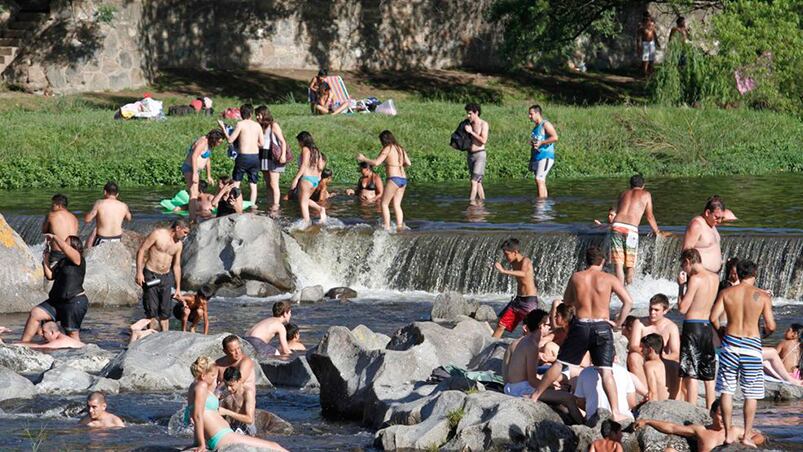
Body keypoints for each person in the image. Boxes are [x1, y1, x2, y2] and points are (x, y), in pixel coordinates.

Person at [530, 246, 634, 422]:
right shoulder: (610, 278)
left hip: (581, 325)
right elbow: (628, 302)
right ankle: (615, 412)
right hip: (602, 326)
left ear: (586, 260)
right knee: (606, 371)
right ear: (603, 261)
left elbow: (567, 302)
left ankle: (535, 396)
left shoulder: (577, 277)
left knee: (559, 363)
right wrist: (617, 324)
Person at [710, 259, 775, 447]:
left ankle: (729, 433)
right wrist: (765, 333)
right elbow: (771, 325)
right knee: (751, 393)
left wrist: (721, 332)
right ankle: (746, 435)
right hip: (752, 346)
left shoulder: (726, 293)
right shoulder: (762, 296)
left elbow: (713, 317)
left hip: (730, 344)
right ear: (754, 274)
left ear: (737, 273)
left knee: (727, 390)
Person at [185, 356, 286, 451]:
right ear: (203, 376)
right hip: (222, 436)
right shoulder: (201, 385)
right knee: (275, 447)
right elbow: (197, 416)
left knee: (274, 447)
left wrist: (197, 442)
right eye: (212, 375)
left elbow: (197, 414)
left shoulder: (194, 386)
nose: (214, 379)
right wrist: (201, 444)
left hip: (222, 435)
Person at [502, 310, 583, 423]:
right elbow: (532, 380)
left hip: (513, 386)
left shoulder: (525, 341)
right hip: (520, 389)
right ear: (541, 326)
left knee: (560, 395)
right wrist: (552, 387)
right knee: (568, 398)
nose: (550, 328)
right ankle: (585, 427)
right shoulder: (532, 345)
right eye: (548, 325)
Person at [21, 234, 88, 343]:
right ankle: (24, 344)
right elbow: (50, 276)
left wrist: (55, 237)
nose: (63, 244)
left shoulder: (78, 259)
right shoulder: (62, 261)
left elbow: (65, 248)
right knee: (36, 313)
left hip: (74, 302)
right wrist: (46, 258)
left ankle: (78, 354)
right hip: (57, 302)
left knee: (71, 334)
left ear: (74, 247)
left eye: (66, 242)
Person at [676, 248, 719, 408]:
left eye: (683, 266)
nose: (684, 270)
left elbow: (682, 308)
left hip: (693, 326)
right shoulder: (715, 277)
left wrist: (681, 286)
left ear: (688, 261)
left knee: (691, 371)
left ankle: (691, 409)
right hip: (707, 327)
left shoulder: (695, 279)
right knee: (708, 372)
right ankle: (711, 409)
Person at [634, 399, 765, 452]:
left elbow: (759, 436)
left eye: (727, 414)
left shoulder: (735, 431)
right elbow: (672, 427)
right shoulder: (701, 430)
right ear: (712, 413)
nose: (724, 418)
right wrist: (648, 421)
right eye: (720, 414)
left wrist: (747, 442)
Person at [609, 175, 667, 285]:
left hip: (616, 226)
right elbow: (649, 216)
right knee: (630, 264)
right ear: (643, 185)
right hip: (631, 230)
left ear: (630, 185)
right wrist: (657, 231)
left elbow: (613, 212)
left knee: (619, 264)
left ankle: (620, 291)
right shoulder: (646, 194)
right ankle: (629, 289)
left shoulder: (623, 194)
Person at [135, 220, 190, 332]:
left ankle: (164, 337)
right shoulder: (158, 234)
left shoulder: (178, 245)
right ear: (178, 228)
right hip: (151, 274)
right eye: (185, 232)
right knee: (152, 310)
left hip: (166, 276)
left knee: (165, 312)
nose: (186, 236)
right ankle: (150, 336)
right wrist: (139, 272)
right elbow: (141, 250)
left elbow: (176, 265)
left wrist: (178, 288)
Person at [626, 294, 680, 399]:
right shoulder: (640, 323)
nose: (652, 313)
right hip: (643, 356)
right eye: (650, 309)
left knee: (676, 364)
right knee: (633, 357)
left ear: (665, 311)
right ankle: (645, 394)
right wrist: (648, 352)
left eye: (656, 310)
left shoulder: (671, 327)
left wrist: (662, 357)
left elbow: (676, 353)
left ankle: (672, 398)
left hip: (661, 359)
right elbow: (633, 346)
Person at [357, 130, 411, 231]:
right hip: (403, 179)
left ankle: (387, 227)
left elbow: (376, 163)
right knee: (397, 204)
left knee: (384, 203)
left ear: (384, 140)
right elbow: (408, 163)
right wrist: (398, 164)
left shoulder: (388, 148)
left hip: (394, 179)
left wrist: (364, 159)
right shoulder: (400, 149)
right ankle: (400, 227)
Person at [219, 104, 264, 209]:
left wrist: (222, 128)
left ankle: (235, 204)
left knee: (236, 183)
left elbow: (230, 140)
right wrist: (252, 143)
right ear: (251, 114)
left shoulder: (240, 124)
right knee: (253, 184)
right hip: (255, 157)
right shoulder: (257, 126)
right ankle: (253, 205)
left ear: (241, 114)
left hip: (243, 157)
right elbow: (262, 144)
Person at [492, 238, 539, 338]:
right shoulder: (513, 263)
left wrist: (504, 271)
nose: (505, 257)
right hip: (518, 300)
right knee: (501, 325)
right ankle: (489, 347)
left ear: (515, 252)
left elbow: (523, 273)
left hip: (529, 301)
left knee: (531, 329)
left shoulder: (525, 261)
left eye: (507, 254)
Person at [290, 131, 328, 227]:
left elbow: (304, 165)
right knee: (304, 199)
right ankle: (320, 209)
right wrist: (319, 175)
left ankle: (307, 224)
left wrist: (296, 179)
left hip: (306, 179)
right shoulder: (317, 151)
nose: (299, 144)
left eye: (299, 142)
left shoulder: (305, 149)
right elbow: (320, 166)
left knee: (303, 203)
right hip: (315, 180)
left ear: (302, 141)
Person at [682, 195, 727, 273]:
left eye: (721, 218)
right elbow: (686, 253)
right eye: (717, 217)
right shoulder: (696, 225)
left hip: (712, 276)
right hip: (699, 276)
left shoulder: (711, 223)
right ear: (707, 212)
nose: (719, 221)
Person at [256, 105, 289, 210]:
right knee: (268, 183)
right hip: (263, 155)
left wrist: (283, 155)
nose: (257, 117)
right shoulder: (259, 126)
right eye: (256, 115)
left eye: (259, 115)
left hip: (273, 156)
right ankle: (270, 204)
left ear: (264, 114)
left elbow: (283, 141)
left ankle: (276, 206)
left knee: (274, 184)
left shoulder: (273, 125)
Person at [84, 181, 132, 248]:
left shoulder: (99, 203)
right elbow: (129, 218)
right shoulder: (123, 205)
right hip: (117, 239)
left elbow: (87, 219)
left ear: (105, 192)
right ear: (117, 194)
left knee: (93, 233)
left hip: (102, 238)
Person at [527, 105, 558, 199]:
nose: (529, 116)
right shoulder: (535, 129)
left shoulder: (545, 124)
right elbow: (535, 145)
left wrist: (542, 142)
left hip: (546, 156)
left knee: (539, 179)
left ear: (537, 113)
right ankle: (543, 203)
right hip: (537, 157)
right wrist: (531, 160)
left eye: (531, 114)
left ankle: (540, 205)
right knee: (540, 181)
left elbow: (555, 137)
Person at [181, 129, 225, 194]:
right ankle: (192, 203)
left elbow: (207, 159)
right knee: (194, 193)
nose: (219, 144)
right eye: (219, 142)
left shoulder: (210, 144)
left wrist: (208, 176)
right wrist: (195, 174)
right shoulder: (203, 142)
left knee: (197, 192)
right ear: (214, 139)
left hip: (195, 170)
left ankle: (195, 203)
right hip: (190, 169)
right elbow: (194, 156)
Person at [42, 194, 79, 267]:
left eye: (53, 205)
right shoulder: (74, 218)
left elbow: (44, 231)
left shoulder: (51, 215)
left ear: (59, 205)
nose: (51, 207)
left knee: (51, 277)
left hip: (58, 253)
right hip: (72, 254)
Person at [463, 103, 488, 203]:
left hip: (480, 155)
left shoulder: (483, 124)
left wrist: (471, 132)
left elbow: (483, 140)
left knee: (474, 181)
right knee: (478, 182)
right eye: (467, 114)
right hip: (470, 155)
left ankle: (471, 204)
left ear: (476, 113)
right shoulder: (468, 124)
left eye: (470, 114)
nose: (468, 116)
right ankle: (482, 202)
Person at [220, 368, 257, 436]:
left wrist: (227, 412)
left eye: (231, 385)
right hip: (232, 426)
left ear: (239, 381)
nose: (228, 388)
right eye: (226, 385)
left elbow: (249, 419)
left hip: (246, 428)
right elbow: (221, 414)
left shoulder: (247, 393)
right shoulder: (225, 393)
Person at [640, 333, 668, 401]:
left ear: (650, 350)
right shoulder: (672, 364)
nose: (641, 350)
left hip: (659, 407)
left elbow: (652, 393)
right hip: (675, 405)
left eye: (643, 347)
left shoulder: (649, 365)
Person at [636, 12, 658, 77]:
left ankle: (650, 72)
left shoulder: (652, 24)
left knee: (651, 59)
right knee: (645, 59)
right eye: (647, 17)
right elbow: (638, 36)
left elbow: (654, 33)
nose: (648, 18)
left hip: (652, 43)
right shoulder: (641, 25)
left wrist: (657, 42)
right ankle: (644, 73)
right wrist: (638, 46)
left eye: (649, 16)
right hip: (645, 43)